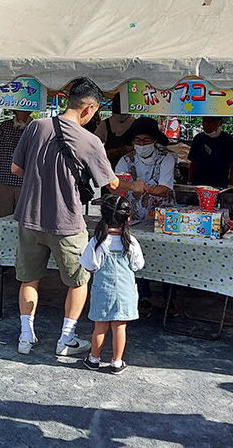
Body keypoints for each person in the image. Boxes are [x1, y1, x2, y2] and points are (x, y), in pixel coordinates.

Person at [11, 77, 146, 356]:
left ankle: (25, 336)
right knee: (79, 280)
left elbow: (15, 169)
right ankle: (66, 340)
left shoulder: (36, 126)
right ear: (89, 109)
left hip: (29, 217)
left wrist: (41, 179)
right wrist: (134, 186)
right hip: (66, 222)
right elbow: (110, 185)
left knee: (29, 279)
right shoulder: (91, 140)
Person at [114, 117, 177, 317]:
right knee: (138, 252)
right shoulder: (125, 160)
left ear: (155, 140)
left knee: (169, 255)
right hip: (134, 215)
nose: (142, 144)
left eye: (146, 140)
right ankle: (144, 295)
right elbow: (116, 184)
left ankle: (170, 299)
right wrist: (131, 187)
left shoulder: (166, 158)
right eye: (138, 140)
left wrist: (143, 188)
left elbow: (163, 189)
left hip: (163, 214)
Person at [79, 194, 144, 375]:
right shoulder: (131, 242)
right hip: (125, 291)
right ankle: (116, 362)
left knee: (100, 326)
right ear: (128, 218)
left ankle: (93, 358)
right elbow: (138, 265)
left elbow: (88, 265)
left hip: (103, 290)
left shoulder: (97, 242)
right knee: (119, 326)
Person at [0, 110, 33, 277]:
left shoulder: (34, 126)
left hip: (25, 182)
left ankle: (23, 262)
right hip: (4, 180)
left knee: (24, 224)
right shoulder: (5, 126)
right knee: (2, 222)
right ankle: (1, 261)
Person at [188, 117, 233, 188]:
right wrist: (189, 182)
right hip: (199, 184)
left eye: (210, 121)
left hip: (220, 185)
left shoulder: (227, 140)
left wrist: (231, 184)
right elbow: (193, 163)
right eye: (204, 121)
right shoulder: (198, 138)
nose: (206, 124)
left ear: (220, 123)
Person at [94, 94, 135, 169]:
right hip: (109, 168)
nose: (120, 116)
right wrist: (106, 153)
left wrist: (133, 149)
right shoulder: (105, 124)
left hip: (132, 167)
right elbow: (93, 147)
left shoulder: (136, 124)